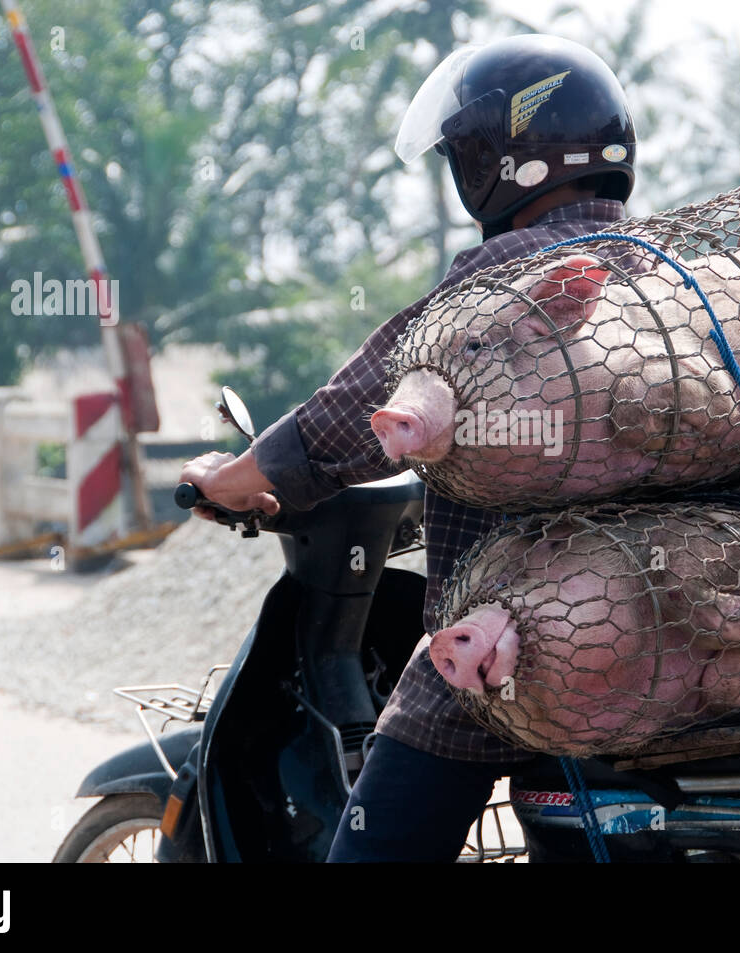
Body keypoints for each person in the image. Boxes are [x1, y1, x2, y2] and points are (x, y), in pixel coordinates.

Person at [179, 33, 638, 861]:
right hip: (653, 631)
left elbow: (357, 414)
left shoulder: (503, 281)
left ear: (498, 161)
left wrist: (240, 478)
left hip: (514, 645)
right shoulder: (666, 273)